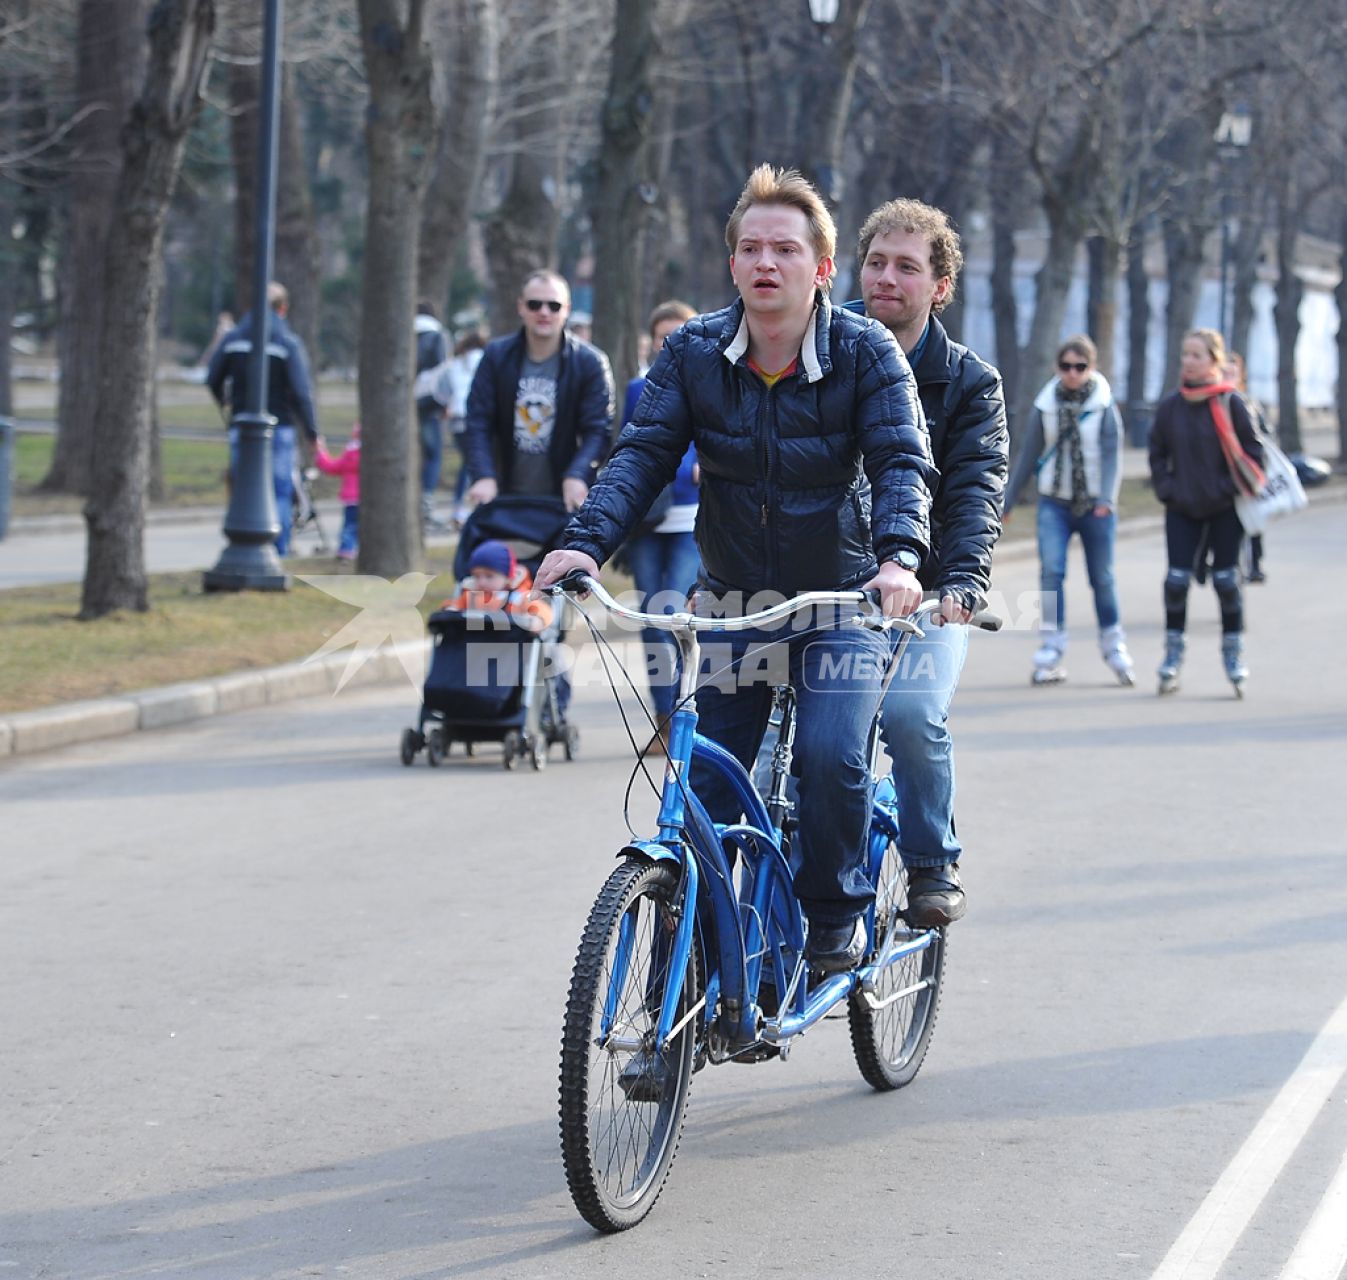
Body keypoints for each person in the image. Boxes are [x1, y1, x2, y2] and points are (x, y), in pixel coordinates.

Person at [537, 164, 935, 972]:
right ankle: (675, 990)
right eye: (749, 248)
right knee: (703, 793)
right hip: (733, 602)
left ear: (821, 268)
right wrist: (585, 541)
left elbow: (900, 462)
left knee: (830, 757)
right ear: (731, 265)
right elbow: (640, 455)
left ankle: (833, 914)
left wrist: (898, 559)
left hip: (842, 600)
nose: (765, 263)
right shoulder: (691, 353)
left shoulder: (864, 353)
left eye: (784, 249)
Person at [856, 197, 1008, 927]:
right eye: (876, 262)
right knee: (786, 752)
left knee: (911, 717)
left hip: (926, 590)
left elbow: (976, 488)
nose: (887, 278)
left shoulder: (970, 384)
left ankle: (928, 862)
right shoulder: (818, 352)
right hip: (829, 587)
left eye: (907, 267)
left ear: (939, 286)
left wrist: (961, 580)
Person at [1002, 333, 1132, 687]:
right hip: (1054, 504)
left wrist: (1107, 498)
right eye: (1065, 366)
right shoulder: (1046, 405)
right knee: (1051, 573)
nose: (1072, 373)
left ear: (1092, 368)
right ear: (1056, 367)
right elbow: (1028, 455)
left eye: (1080, 367)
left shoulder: (1103, 405)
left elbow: (1111, 455)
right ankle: (1051, 646)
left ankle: (1113, 643)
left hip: (1095, 506)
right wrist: (1007, 502)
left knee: (1102, 577)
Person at [1148, 328, 1265, 695]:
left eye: (1197, 355)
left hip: (1223, 509)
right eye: (1185, 354)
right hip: (1182, 508)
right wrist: (1168, 490)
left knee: (1227, 581)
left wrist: (1228, 490)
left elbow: (1254, 452)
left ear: (1215, 360)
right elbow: (1157, 453)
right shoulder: (1171, 406)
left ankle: (1233, 657)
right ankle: (1172, 658)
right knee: (1176, 582)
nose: (1188, 361)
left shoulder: (1231, 403)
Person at [463, 269, 615, 514]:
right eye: (535, 304)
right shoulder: (496, 357)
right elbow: (478, 421)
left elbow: (597, 429)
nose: (544, 312)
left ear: (566, 309)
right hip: (503, 494)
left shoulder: (590, 362)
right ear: (521, 307)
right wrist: (483, 475)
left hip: (563, 499)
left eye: (553, 306)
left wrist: (577, 475)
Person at [620, 300, 701, 751]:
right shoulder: (638, 388)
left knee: (674, 614)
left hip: (692, 519)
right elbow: (631, 445)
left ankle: (686, 710)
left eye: (679, 333)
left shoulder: (711, 384)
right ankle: (664, 715)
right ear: (651, 340)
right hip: (649, 519)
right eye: (662, 335)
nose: (669, 342)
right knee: (650, 620)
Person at [206, 282, 319, 556]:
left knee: (243, 488)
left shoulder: (234, 339)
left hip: (241, 426)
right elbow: (302, 391)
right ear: (283, 308)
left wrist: (226, 401)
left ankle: (243, 545)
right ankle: (277, 549)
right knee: (280, 490)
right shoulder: (286, 341)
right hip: (281, 427)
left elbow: (213, 377)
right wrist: (313, 432)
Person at [1224, 351, 1269, 583]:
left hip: (1248, 470)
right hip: (1226, 472)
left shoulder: (1249, 403)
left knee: (1253, 518)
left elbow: (1263, 436)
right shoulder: (1217, 402)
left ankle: (1256, 563)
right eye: (1224, 372)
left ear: (1241, 375)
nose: (1228, 376)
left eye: (1233, 373)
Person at [440, 539, 552, 631]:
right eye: (477, 576)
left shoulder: (520, 597)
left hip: (511, 648)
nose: (482, 582)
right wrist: (451, 609)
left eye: (489, 576)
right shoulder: (471, 596)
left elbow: (543, 610)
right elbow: (455, 607)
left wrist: (536, 620)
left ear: (508, 577)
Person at [444, 329, 487, 527]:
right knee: (473, 464)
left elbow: (443, 388)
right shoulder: (483, 358)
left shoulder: (455, 362)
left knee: (467, 464)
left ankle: (458, 507)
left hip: (455, 418)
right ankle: (466, 509)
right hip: (472, 417)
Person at [414, 301, 450, 530]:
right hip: (429, 401)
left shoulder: (406, 333)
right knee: (433, 454)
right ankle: (425, 503)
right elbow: (444, 369)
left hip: (406, 401)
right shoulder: (438, 335)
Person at [314, 424, 361, 561]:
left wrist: (320, 452)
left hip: (351, 499)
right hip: (372, 499)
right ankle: (349, 550)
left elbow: (332, 467)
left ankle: (346, 550)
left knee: (350, 526)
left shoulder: (350, 453)